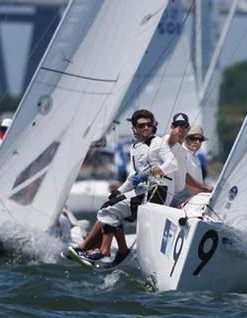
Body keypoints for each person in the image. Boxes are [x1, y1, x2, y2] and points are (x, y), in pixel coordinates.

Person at [70, 109, 176, 265]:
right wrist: (120, 191)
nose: (146, 128)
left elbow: (172, 163)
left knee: (109, 210)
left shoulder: (157, 142)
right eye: (141, 126)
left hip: (157, 191)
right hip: (142, 190)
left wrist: (156, 170)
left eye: (149, 125)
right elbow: (134, 176)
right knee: (110, 207)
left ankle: (104, 251)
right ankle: (122, 250)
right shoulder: (135, 147)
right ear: (134, 128)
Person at [168, 121, 214, 207]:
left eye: (200, 139)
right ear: (185, 138)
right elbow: (185, 178)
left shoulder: (196, 157)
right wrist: (205, 188)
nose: (197, 142)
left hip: (194, 199)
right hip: (180, 199)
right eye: (193, 138)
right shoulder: (180, 153)